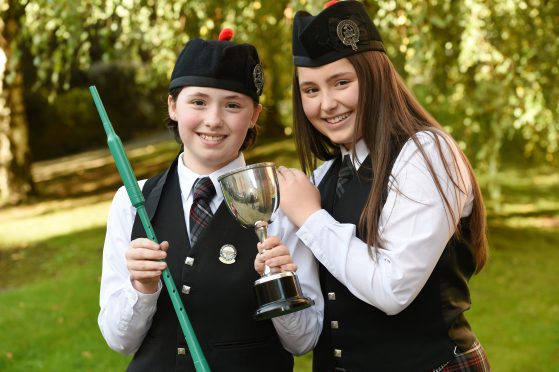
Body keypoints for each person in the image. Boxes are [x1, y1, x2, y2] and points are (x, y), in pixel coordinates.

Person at [273, 1, 491, 371]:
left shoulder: (426, 153)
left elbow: (393, 290)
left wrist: (310, 219)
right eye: (310, 90)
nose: (326, 104)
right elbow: (309, 330)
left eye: (341, 82)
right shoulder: (323, 178)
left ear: (374, 77)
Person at [98, 28, 322, 372]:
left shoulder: (285, 200)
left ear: (254, 116)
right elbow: (120, 341)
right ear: (173, 106)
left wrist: (280, 284)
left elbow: (304, 342)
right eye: (198, 102)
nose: (213, 120)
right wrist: (141, 288)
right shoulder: (130, 202)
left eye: (233, 105)